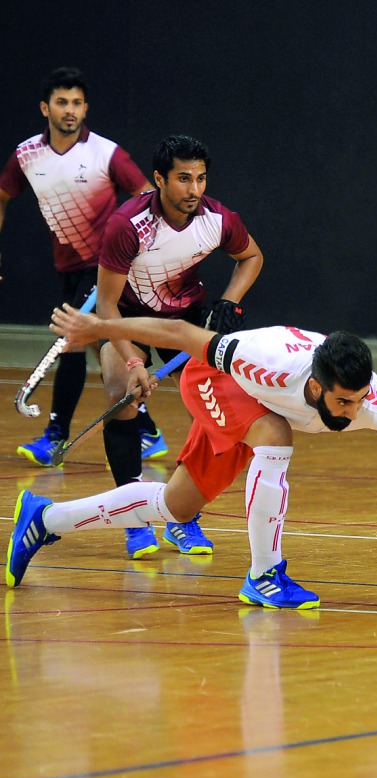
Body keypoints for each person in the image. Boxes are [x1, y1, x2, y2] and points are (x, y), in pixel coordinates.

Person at [6, 305, 377, 609]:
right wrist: (100, 328)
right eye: (344, 401)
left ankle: (44, 519)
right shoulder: (263, 359)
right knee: (274, 434)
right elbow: (179, 332)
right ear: (316, 388)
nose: (355, 411)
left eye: (361, 399)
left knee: (176, 507)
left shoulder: (372, 401)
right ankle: (264, 575)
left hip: (246, 407)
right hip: (215, 382)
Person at [95, 134, 264, 561]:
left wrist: (229, 302)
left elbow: (252, 257)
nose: (194, 190)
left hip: (184, 319)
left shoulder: (218, 220)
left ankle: (182, 515)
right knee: (121, 396)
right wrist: (133, 360)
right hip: (126, 317)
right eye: (184, 179)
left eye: (201, 179)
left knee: (210, 407)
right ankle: (133, 517)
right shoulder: (127, 225)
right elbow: (107, 304)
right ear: (159, 179)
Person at [0, 67, 156, 466]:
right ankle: (147, 429)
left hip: (106, 267)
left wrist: (133, 246)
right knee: (105, 350)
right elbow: (2, 195)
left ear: (86, 108)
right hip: (68, 266)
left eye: (77, 103)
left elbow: (148, 197)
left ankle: (55, 436)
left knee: (71, 344)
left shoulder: (106, 153)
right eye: (62, 102)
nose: (70, 111)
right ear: (45, 108)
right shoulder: (27, 155)